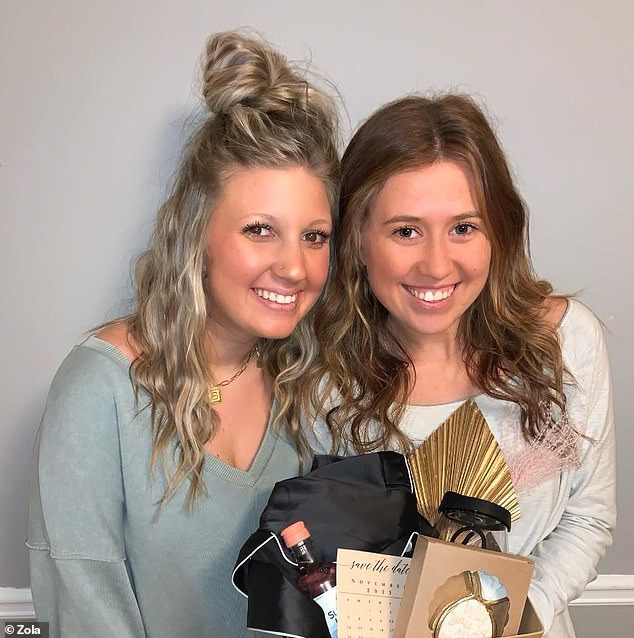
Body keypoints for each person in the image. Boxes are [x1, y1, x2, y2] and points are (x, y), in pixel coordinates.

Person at [27, 31, 340, 638]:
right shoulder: (101, 390)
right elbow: (85, 612)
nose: (296, 268)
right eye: (259, 230)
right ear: (196, 232)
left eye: (315, 236)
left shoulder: (309, 386)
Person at [300, 94, 615, 638]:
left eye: (463, 228)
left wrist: (499, 623)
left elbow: (587, 518)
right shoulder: (323, 378)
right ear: (357, 239)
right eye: (405, 231)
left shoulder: (566, 344)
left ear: (498, 231)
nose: (437, 264)